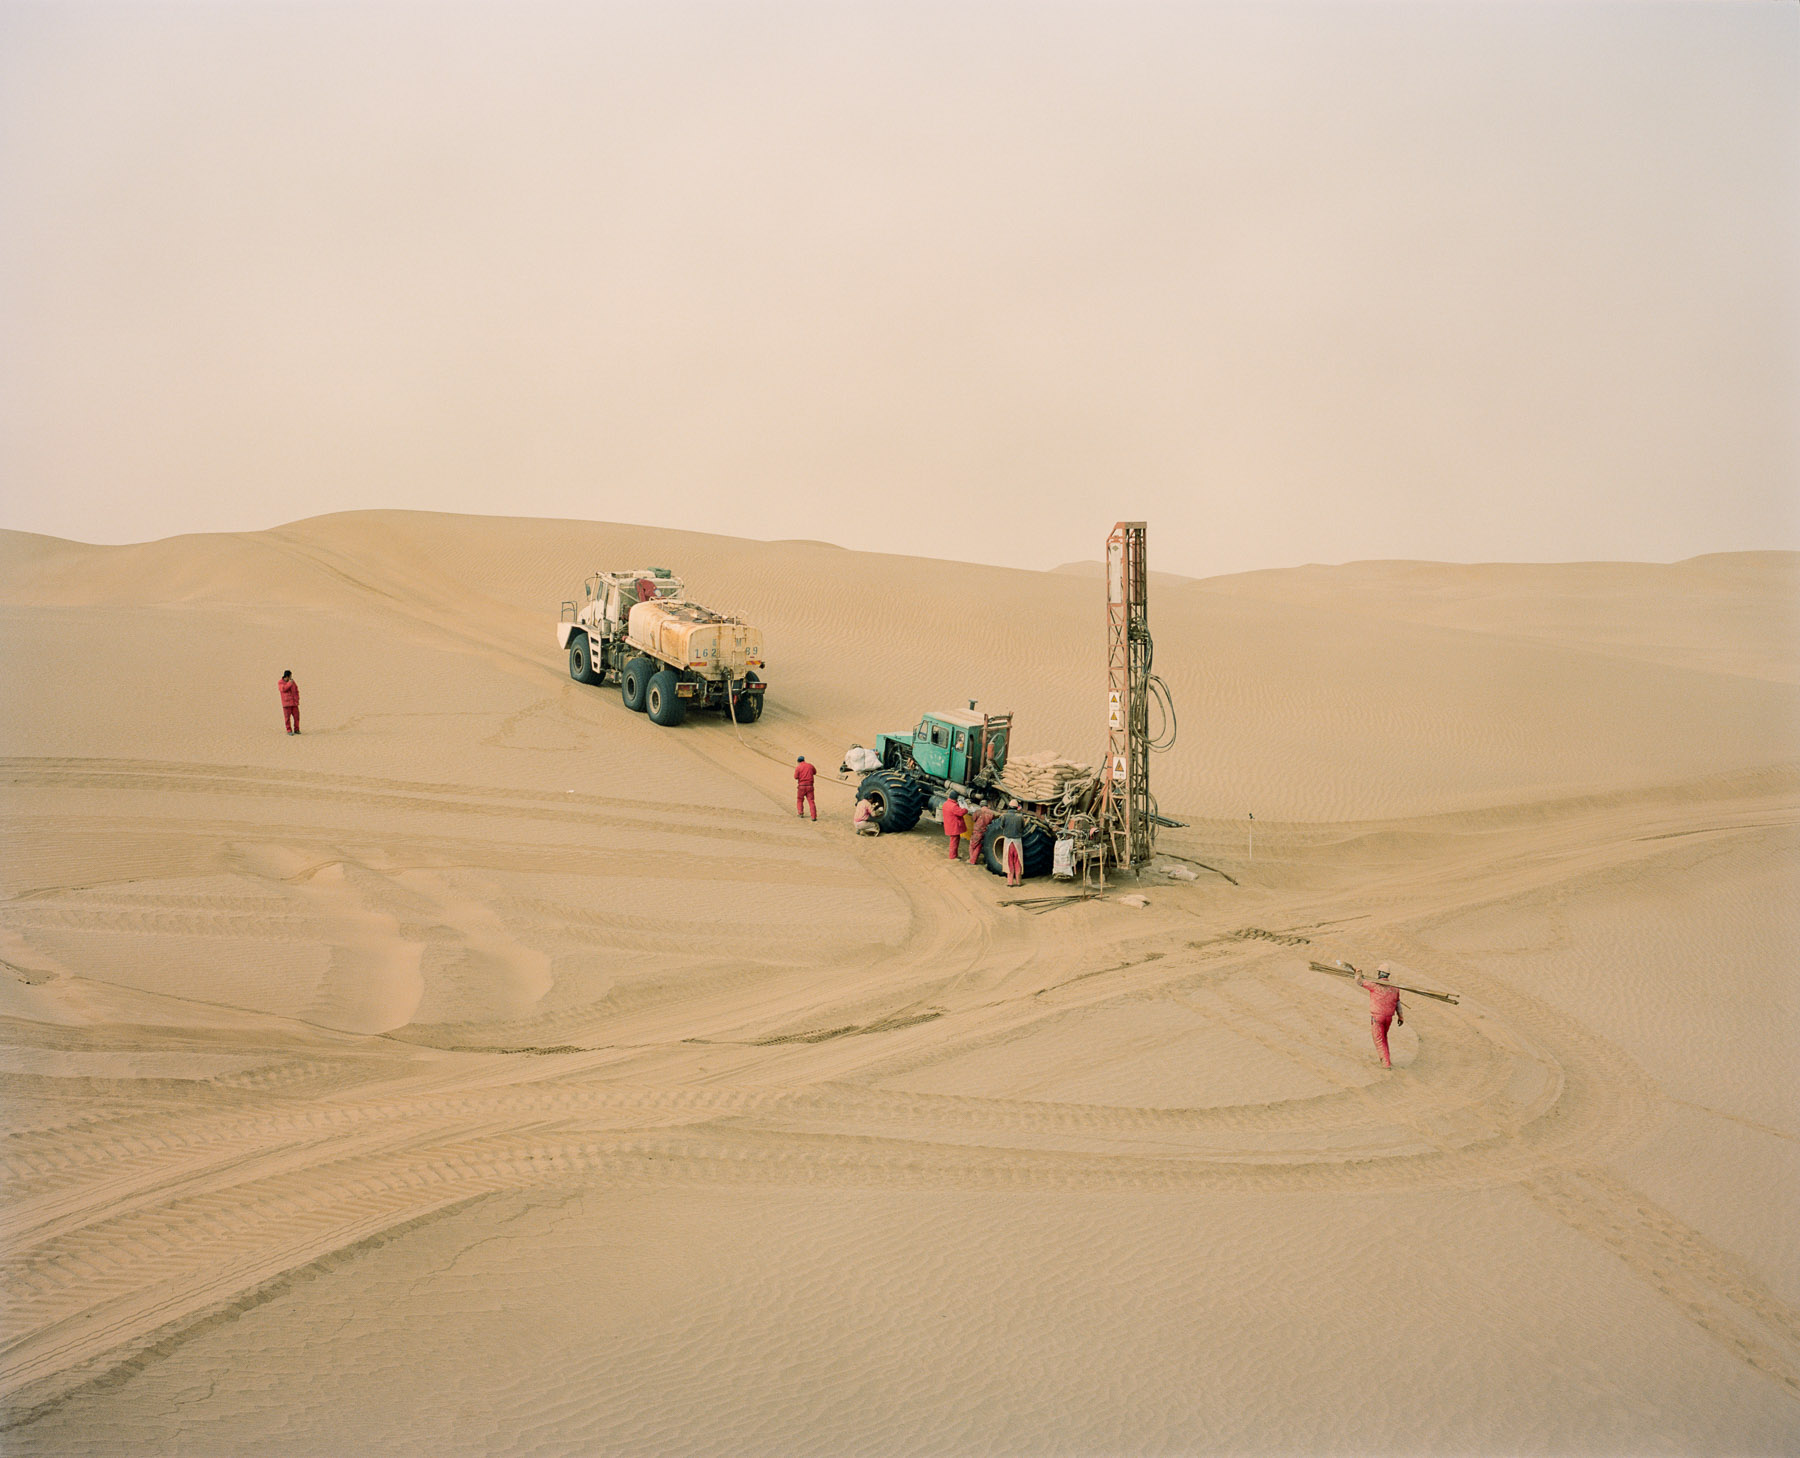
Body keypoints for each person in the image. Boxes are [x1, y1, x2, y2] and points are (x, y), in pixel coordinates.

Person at [1355, 962, 1405, 1068]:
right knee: (1383, 1038)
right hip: (1389, 1017)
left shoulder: (1375, 985)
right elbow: (1398, 1003)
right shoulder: (1394, 988)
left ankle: (1386, 1063)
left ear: (1379, 973)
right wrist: (1401, 1016)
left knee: (1379, 1040)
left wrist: (1358, 972)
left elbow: (1359, 981)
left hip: (1378, 1017)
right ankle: (1386, 1059)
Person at [996, 800, 1026, 885]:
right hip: (1018, 842)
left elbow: (1002, 826)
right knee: (1018, 861)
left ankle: (1010, 882)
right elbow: (1023, 827)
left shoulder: (1004, 816)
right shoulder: (1020, 817)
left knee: (1009, 861)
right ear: (1017, 808)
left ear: (1009, 807)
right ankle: (1018, 881)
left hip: (1008, 841)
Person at [941, 794, 968, 859]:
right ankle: (953, 856)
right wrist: (965, 809)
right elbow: (961, 812)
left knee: (954, 840)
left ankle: (954, 855)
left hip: (949, 825)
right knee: (954, 842)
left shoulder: (946, 804)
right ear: (955, 799)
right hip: (954, 826)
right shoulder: (953, 806)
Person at [794, 756, 818, 821]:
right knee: (811, 801)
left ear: (798, 761)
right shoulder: (810, 765)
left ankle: (800, 813)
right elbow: (815, 772)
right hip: (810, 786)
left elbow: (795, 777)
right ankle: (813, 816)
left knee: (800, 800)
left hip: (801, 786)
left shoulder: (798, 767)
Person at [278, 670, 300, 734]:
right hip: (286, 704)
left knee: (297, 717)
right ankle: (289, 730)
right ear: (286, 676)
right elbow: (283, 689)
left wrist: (297, 698)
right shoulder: (280, 682)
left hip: (294, 703)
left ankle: (297, 729)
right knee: (287, 718)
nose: (291, 677)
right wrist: (289, 683)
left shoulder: (293, 682)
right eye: (290, 676)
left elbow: (296, 689)